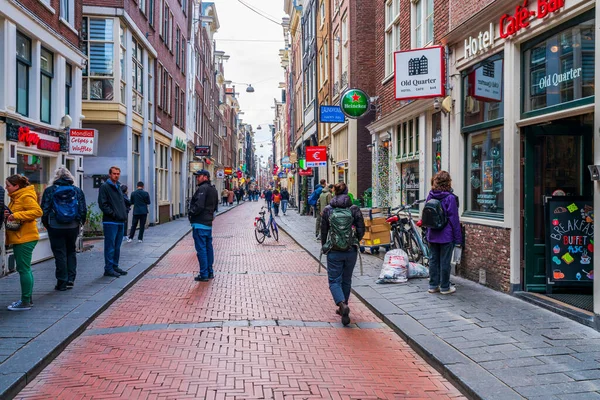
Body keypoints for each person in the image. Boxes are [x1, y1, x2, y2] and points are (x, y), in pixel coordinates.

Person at [320, 182, 365, 326]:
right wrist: (355, 240)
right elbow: (361, 229)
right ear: (347, 192)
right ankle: (344, 304)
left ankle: (341, 305)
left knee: (334, 280)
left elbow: (323, 231)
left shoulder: (328, 210)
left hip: (334, 250)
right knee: (346, 279)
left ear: (334, 193)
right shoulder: (354, 209)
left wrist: (325, 246)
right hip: (350, 250)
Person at [41, 167, 87, 291]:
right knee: (71, 251)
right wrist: (80, 222)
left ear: (55, 177)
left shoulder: (50, 190)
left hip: (55, 226)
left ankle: (61, 282)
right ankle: (71, 279)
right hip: (72, 226)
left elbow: (44, 209)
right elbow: (83, 209)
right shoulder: (77, 191)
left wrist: (46, 224)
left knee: (59, 253)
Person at [4, 175, 43, 311]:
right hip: (21, 237)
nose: (6, 187)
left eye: (8, 185)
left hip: (25, 237)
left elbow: (38, 211)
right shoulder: (16, 197)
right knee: (24, 269)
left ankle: (25, 301)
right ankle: (27, 298)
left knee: (23, 269)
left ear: (16, 186)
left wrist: (16, 215)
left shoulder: (25, 196)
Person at [426, 171, 462, 295]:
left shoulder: (431, 195)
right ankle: (445, 287)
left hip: (432, 234)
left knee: (433, 260)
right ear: (448, 182)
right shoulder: (450, 198)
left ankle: (433, 285)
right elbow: (454, 219)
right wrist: (458, 238)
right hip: (446, 235)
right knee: (445, 261)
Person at [98, 166, 129, 278]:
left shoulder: (118, 186)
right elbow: (103, 204)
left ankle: (115, 266)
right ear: (110, 174)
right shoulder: (105, 187)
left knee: (117, 246)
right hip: (111, 222)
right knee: (110, 246)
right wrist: (113, 214)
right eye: (114, 173)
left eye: (118, 173)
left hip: (120, 221)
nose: (116, 175)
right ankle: (108, 268)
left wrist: (123, 214)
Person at [188, 170, 219, 282]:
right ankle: (210, 271)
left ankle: (204, 274)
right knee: (208, 248)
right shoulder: (214, 190)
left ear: (205, 177)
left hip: (200, 223)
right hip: (208, 224)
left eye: (199, 176)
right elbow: (215, 206)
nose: (197, 178)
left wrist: (191, 212)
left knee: (201, 249)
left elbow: (199, 206)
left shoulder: (202, 189)